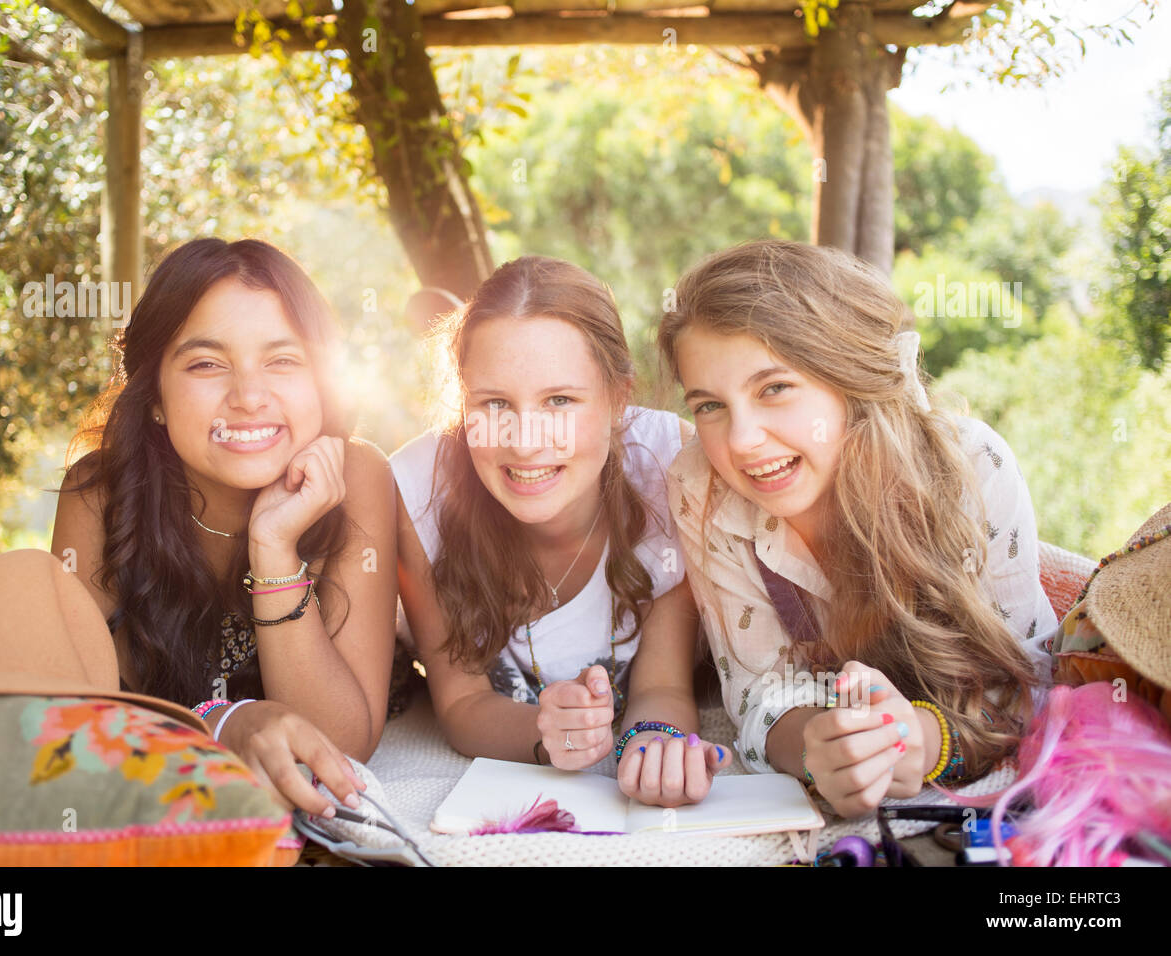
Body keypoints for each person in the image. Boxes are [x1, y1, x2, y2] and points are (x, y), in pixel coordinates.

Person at [657, 239, 1054, 819]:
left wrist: (924, 741)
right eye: (709, 406)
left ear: (849, 378)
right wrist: (818, 746)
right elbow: (755, 689)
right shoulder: (700, 485)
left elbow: (1033, 680)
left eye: (774, 388)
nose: (741, 440)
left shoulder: (972, 468)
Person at [51, 237, 397, 813]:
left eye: (283, 360)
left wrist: (275, 547)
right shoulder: (99, 495)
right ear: (155, 394)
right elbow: (66, 714)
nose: (249, 396)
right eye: (207, 364)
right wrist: (219, 726)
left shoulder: (358, 476)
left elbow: (340, 748)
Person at [393, 256, 733, 807]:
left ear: (618, 397)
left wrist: (653, 742)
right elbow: (461, 705)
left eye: (560, 401)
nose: (526, 442)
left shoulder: (671, 468)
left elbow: (661, 686)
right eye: (494, 403)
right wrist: (543, 734)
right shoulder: (417, 492)